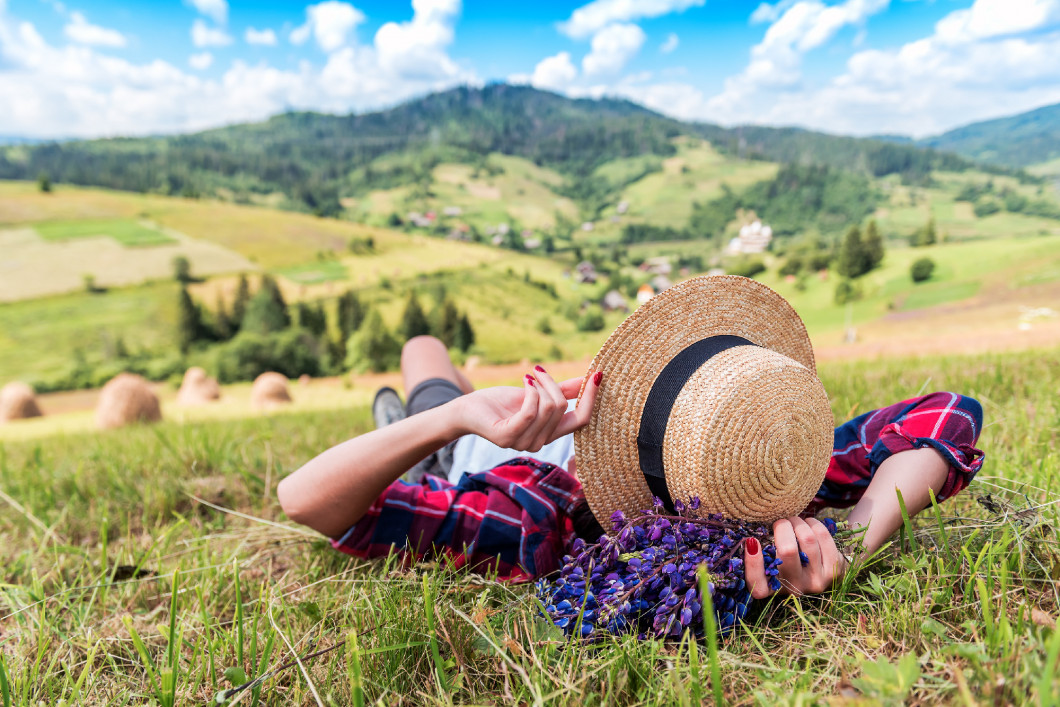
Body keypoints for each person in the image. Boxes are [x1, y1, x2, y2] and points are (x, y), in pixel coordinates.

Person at [278, 277, 984, 598]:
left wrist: (451, 426)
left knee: (424, 370)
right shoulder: (781, 477)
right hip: (493, 431)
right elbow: (942, 419)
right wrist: (465, 416)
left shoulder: (535, 516)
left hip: (470, 456)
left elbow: (313, 503)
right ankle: (407, 422)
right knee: (426, 353)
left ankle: (405, 427)